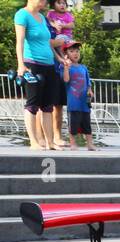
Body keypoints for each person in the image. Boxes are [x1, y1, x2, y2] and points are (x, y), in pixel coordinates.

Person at [13, 0, 65, 150]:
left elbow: (47, 42)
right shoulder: (22, 15)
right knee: (33, 103)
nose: (44, 1)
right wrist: (21, 64)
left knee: (47, 106)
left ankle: (50, 142)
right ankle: (34, 142)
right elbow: (20, 41)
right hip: (32, 64)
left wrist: (59, 58)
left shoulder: (42, 17)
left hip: (49, 65)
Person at [46, 0, 72, 147]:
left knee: (58, 104)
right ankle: (44, 137)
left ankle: (57, 136)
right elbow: (47, 43)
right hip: (47, 66)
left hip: (60, 68)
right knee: (44, 105)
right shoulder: (47, 19)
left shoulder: (65, 17)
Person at [63, 38, 91, 150]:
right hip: (73, 102)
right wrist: (66, 67)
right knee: (73, 123)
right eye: (72, 51)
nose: (75, 53)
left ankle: (89, 143)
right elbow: (66, 80)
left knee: (87, 123)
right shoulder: (65, 67)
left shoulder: (83, 67)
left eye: (77, 51)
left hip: (84, 101)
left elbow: (88, 81)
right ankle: (73, 143)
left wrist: (90, 90)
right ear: (66, 54)